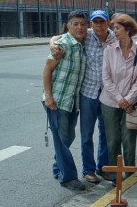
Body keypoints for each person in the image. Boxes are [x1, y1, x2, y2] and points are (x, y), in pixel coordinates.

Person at [49, 10, 115, 184]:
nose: (99, 25)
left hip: (108, 94)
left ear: (108, 23)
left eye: (102, 22)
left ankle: (104, 167)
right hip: (88, 93)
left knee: (106, 133)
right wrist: (52, 44)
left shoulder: (115, 37)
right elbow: (60, 37)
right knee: (87, 133)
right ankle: (89, 170)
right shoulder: (86, 35)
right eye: (95, 22)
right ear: (91, 24)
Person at [42, 10, 87, 191]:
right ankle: (68, 177)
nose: (79, 27)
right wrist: (49, 97)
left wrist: (52, 39)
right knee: (61, 140)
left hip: (72, 102)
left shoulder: (81, 44)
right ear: (68, 25)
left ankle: (57, 168)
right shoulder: (63, 45)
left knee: (68, 137)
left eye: (82, 24)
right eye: (75, 24)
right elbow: (47, 70)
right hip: (57, 101)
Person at [100, 13, 137, 180]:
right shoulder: (109, 50)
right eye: (114, 28)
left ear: (127, 29)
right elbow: (106, 78)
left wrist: (128, 100)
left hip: (131, 103)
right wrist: (120, 99)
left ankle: (129, 172)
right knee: (112, 140)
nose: (114, 31)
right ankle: (114, 175)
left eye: (117, 28)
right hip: (110, 102)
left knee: (129, 139)